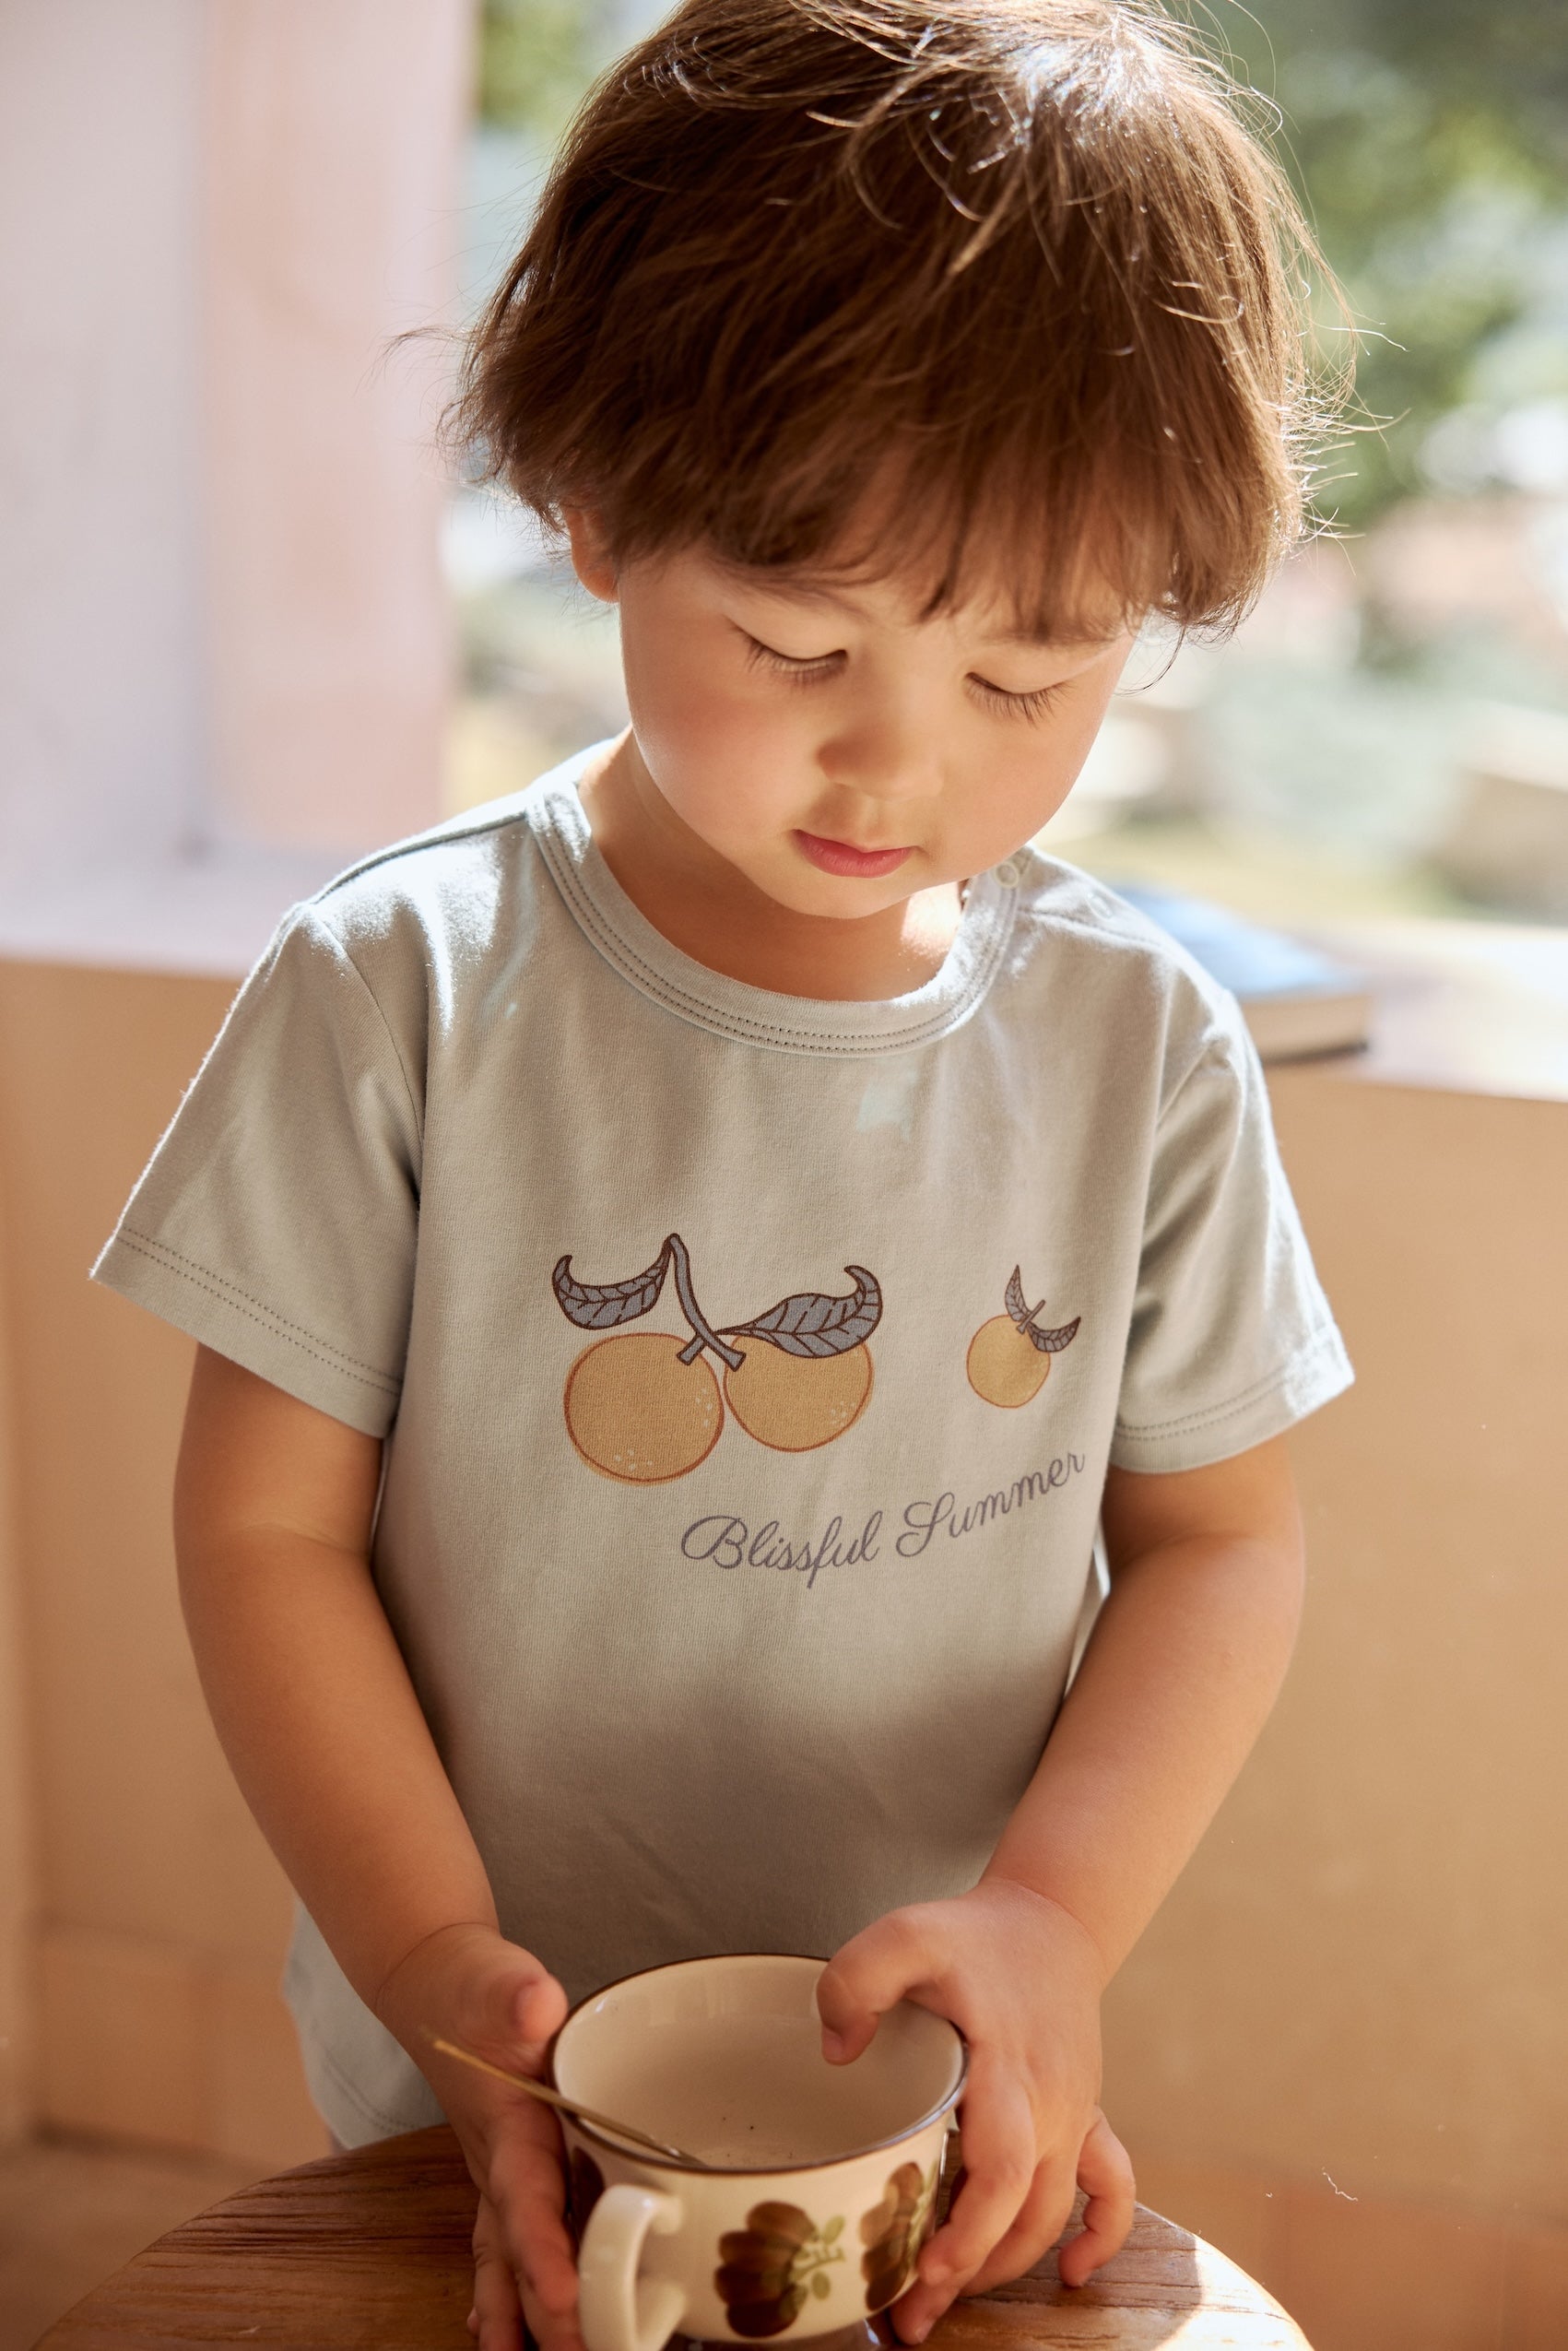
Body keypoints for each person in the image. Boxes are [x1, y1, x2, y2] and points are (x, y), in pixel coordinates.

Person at [95, 5, 1354, 2347]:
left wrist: (1050, 1924)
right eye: (795, 642)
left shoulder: (1138, 1047)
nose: (898, 764)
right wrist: (429, 1961)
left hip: (923, 2103)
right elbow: (264, 1538)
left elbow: (1219, 1541)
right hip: (475, 2082)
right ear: (592, 508)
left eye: (1025, 682)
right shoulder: (401, 992)